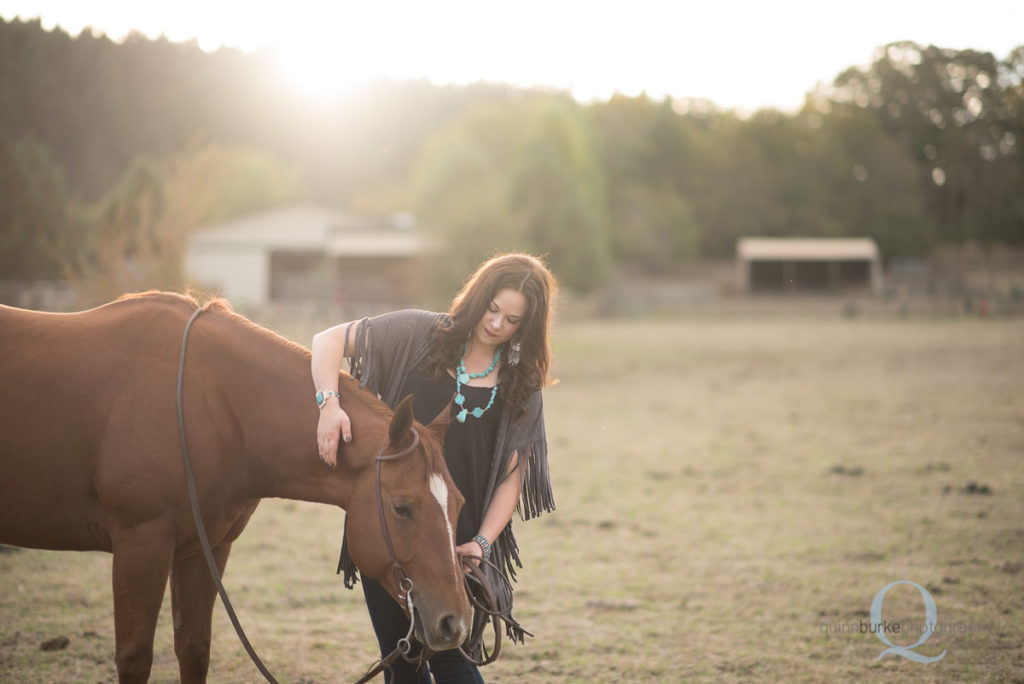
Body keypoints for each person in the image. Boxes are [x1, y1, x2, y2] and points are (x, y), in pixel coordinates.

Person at [311, 253, 557, 684]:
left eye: (512, 320)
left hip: (456, 547)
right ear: (477, 297)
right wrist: (328, 404)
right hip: (396, 528)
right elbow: (327, 341)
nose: (497, 324)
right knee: (402, 666)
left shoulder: (520, 382)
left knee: (454, 661)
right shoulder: (419, 333)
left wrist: (481, 543)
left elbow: (513, 477)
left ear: (526, 328)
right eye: (493, 308)